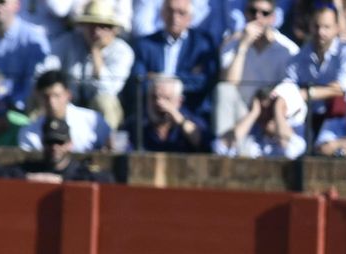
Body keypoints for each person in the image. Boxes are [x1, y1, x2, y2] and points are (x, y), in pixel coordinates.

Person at [214, 0, 298, 134]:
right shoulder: (231, 44)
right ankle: (224, 148)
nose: (257, 17)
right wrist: (243, 46)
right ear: (245, 14)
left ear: (273, 18)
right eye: (253, 11)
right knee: (222, 89)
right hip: (240, 112)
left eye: (264, 13)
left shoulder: (288, 49)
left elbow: (291, 90)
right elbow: (229, 85)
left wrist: (263, 109)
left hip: (271, 114)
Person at [130, 0, 219, 118]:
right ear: (162, 14)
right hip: (152, 110)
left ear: (190, 17)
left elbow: (203, 80)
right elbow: (138, 81)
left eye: (181, 13)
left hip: (190, 110)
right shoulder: (146, 44)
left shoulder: (202, 44)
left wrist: (163, 80)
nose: (174, 17)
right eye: (170, 11)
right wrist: (185, 78)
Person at [57, 0, 135, 130]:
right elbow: (47, 67)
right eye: (91, 25)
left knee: (105, 101)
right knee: (47, 94)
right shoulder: (69, 42)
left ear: (113, 30)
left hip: (101, 112)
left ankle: (109, 146)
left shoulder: (123, 52)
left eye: (103, 26)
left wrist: (96, 52)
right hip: (69, 104)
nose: (96, 31)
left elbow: (108, 89)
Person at [286, 2, 346, 119]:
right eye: (316, 26)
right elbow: (288, 85)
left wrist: (308, 93)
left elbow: (342, 88)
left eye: (326, 27)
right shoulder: (298, 57)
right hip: (304, 117)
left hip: (341, 119)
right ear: (310, 26)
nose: (321, 32)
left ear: (337, 28)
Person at [0, 114, 116, 178]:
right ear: (42, 142)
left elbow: (106, 179)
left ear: (69, 144)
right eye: (50, 142)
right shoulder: (34, 169)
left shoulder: (79, 172)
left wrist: (63, 181)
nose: (54, 147)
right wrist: (29, 178)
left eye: (60, 142)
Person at [18, 68, 112, 151]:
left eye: (56, 95)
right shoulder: (28, 132)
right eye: (46, 97)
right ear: (38, 97)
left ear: (68, 94)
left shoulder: (94, 120)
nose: (51, 102)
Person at [213, 79, 302, 153]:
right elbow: (219, 148)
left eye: (270, 110)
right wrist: (254, 113)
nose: (267, 117)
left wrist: (277, 108)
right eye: (263, 112)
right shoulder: (252, 132)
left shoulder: (296, 128)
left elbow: (293, 152)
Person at [129, 70, 206, 148]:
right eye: (154, 97)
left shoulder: (191, 122)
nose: (159, 103)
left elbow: (202, 143)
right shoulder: (136, 125)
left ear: (179, 101)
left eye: (166, 99)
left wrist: (179, 119)